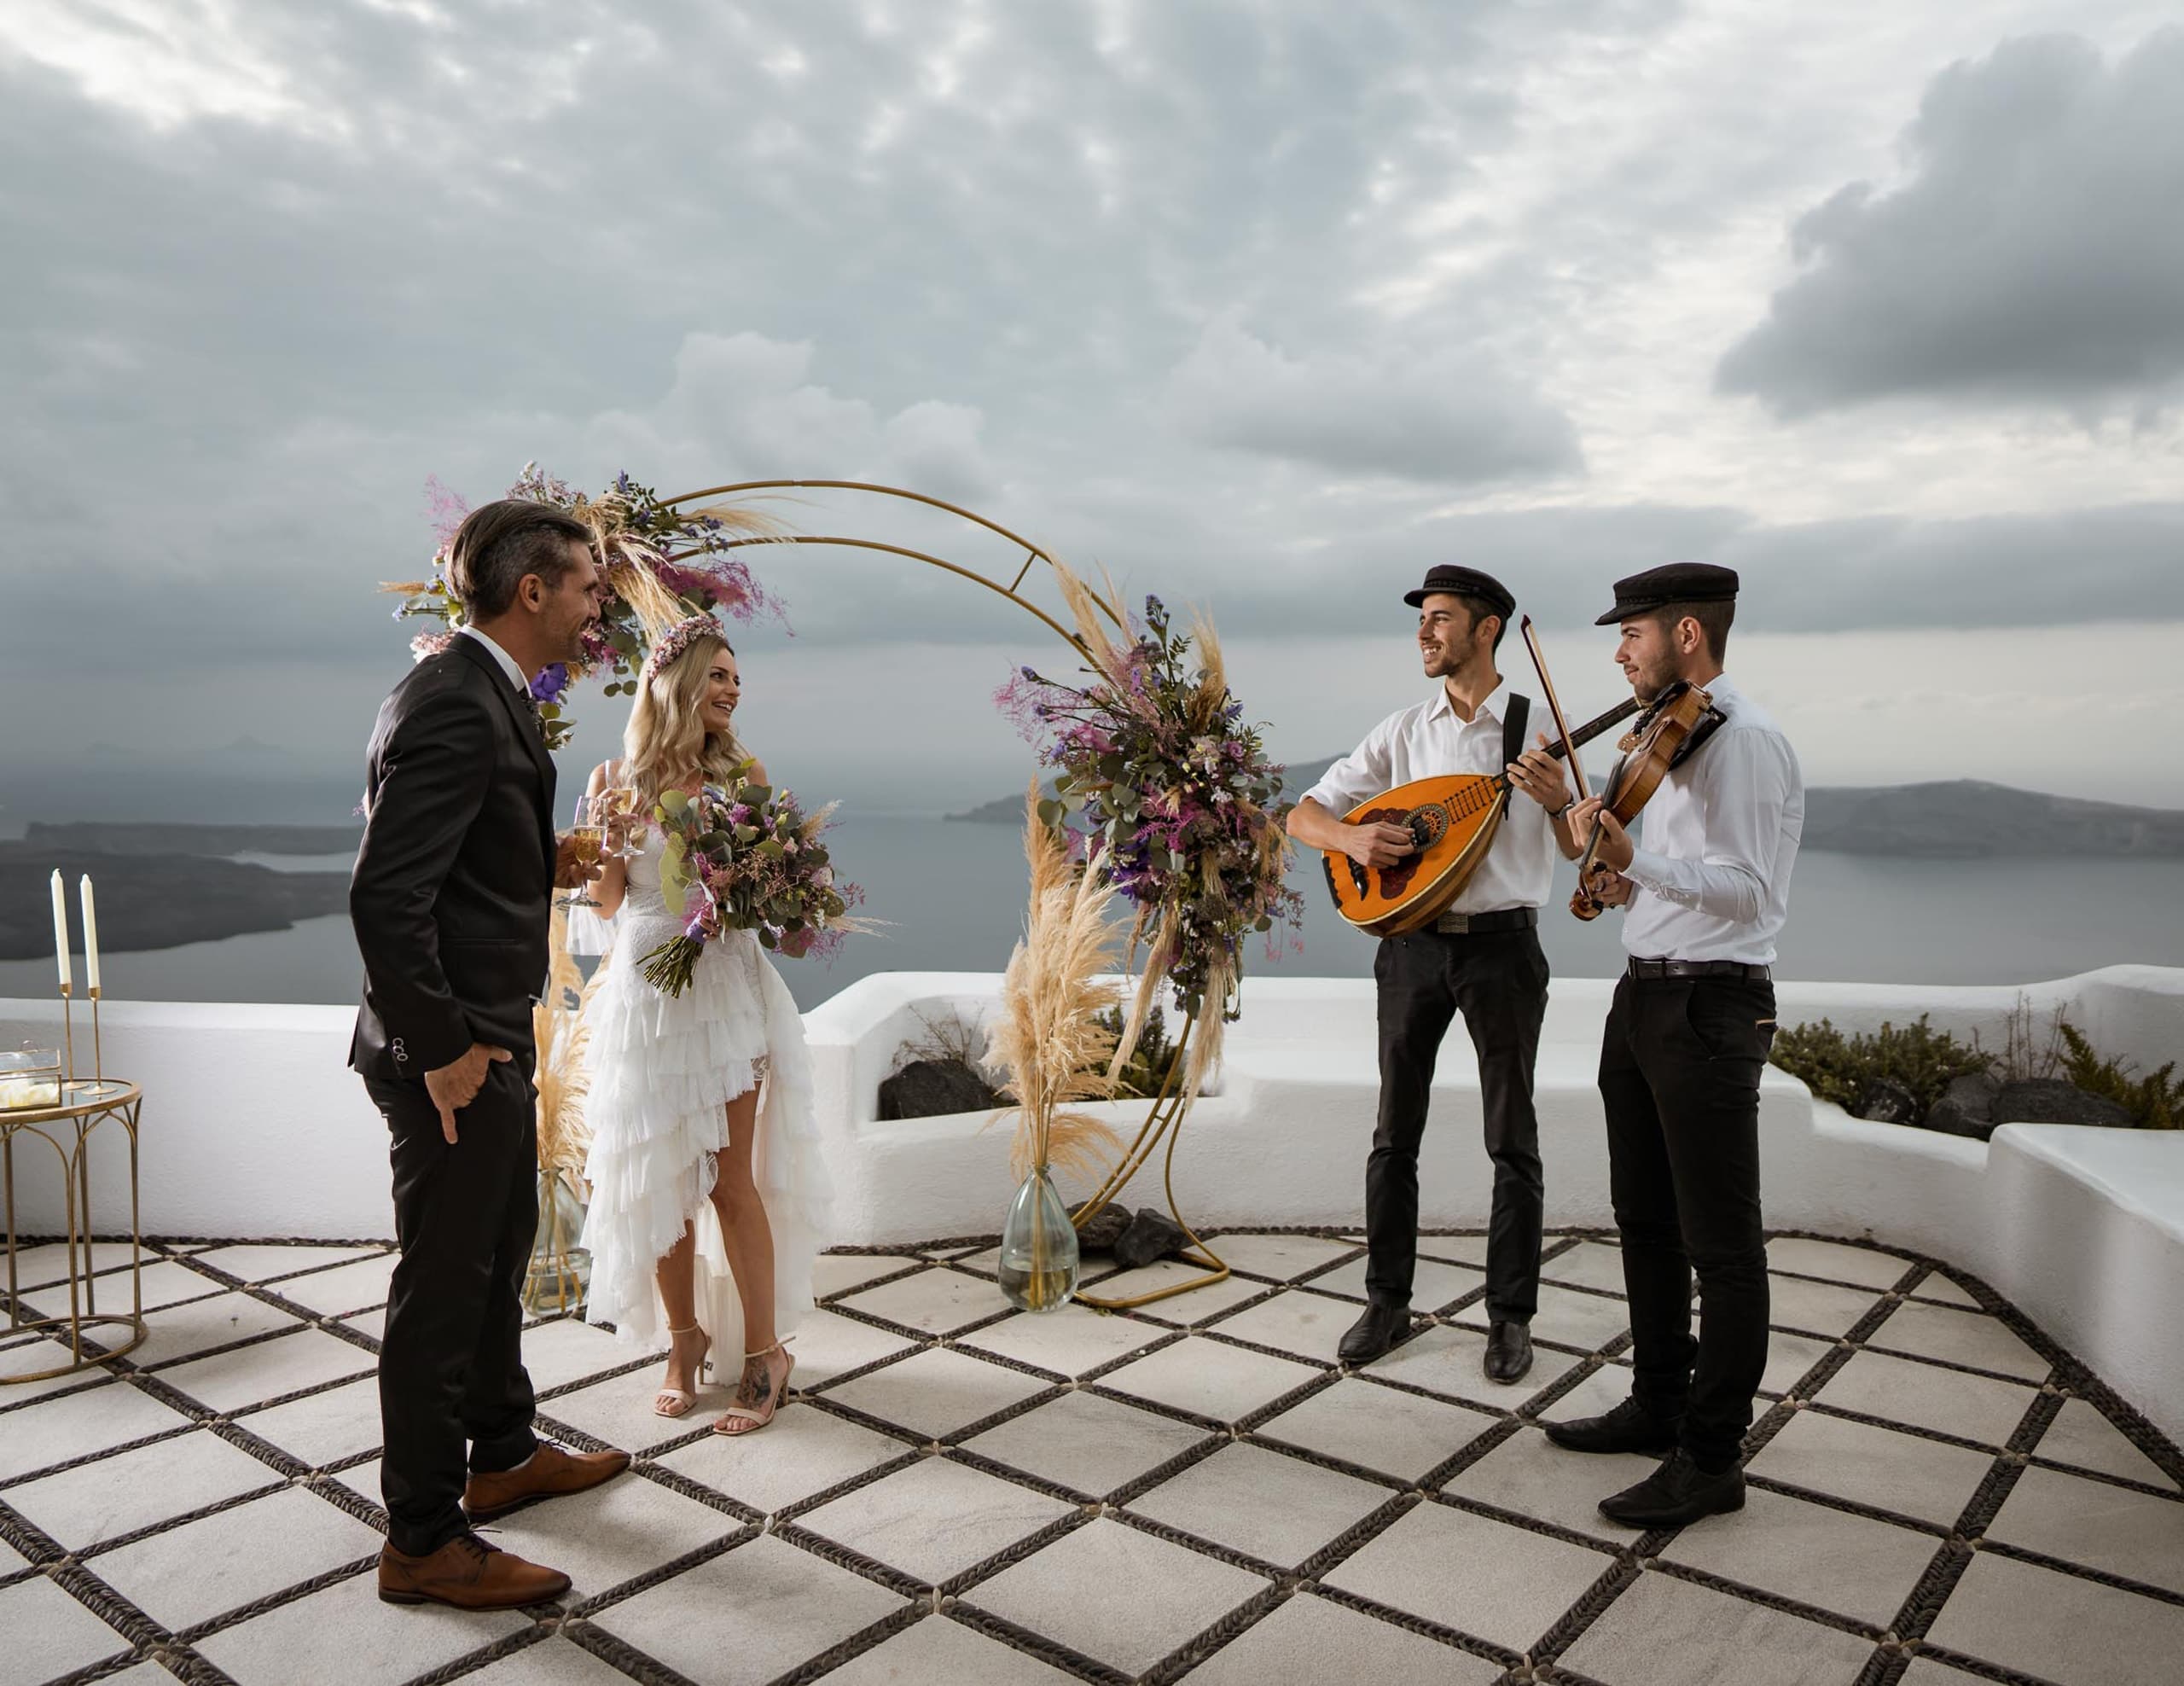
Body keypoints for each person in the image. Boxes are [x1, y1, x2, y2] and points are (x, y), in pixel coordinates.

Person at [351, 499, 630, 1611]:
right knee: (443, 1289)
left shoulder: (483, 694)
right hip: (453, 1054)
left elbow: (453, 865)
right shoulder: (455, 703)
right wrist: (444, 1052)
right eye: (586, 587)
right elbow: (385, 896)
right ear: (533, 593)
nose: (595, 603)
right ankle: (420, 1539)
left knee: (497, 1252)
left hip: (486, 1036)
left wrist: (542, 861)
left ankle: (505, 1455)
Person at [1544, 561, 1805, 1529]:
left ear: (1686, 633)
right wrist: (1625, 882)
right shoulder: (1679, 737)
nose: (1619, 651)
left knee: (1721, 1245)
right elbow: (1681, 877)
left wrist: (1627, 855)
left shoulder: (1744, 741)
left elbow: (1747, 891)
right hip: (1644, 998)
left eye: (1633, 634)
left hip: (1710, 1010)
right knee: (1644, 1216)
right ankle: (1657, 1399)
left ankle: (1709, 1455)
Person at [1287, 565, 1585, 1381]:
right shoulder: (1403, 731)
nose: (1424, 632)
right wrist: (1350, 841)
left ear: (1488, 630)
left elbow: (1578, 853)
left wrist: (1560, 802)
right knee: (1395, 1135)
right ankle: (1387, 1302)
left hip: (1503, 949)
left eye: (1441, 618)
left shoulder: (1534, 730)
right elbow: (1304, 812)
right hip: (1411, 948)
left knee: (1510, 1139)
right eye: (1422, 618)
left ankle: (1511, 1318)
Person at [570, 615, 833, 1439]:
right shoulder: (614, 777)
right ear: (674, 684)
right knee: (661, 1184)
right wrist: (603, 845)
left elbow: (780, 886)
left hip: (723, 990)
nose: (730, 689)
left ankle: (765, 1355)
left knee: (728, 1180)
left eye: (735, 677)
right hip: (646, 993)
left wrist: (762, 887)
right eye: (716, 676)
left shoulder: (742, 775)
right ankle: (683, 1345)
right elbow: (606, 905)